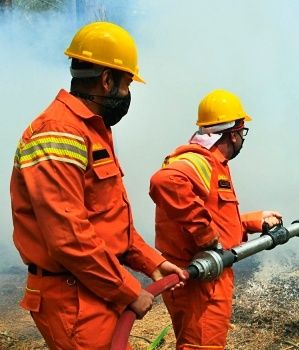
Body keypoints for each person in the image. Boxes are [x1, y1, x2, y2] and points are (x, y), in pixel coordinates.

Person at [10, 22, 186, 349]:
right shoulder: (57, 133)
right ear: (107, 80)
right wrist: (128, 289)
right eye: (127, 83)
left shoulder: (91, 129)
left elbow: (108, 220)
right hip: (72, 298)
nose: (128, 94)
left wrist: (152, 261)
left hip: (92, 288)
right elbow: (68, 237)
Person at [149, 89, 282, 348]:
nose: (242, 139)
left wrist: (254, 221)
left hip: (204, 279)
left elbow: (215, 215)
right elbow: (164, 181)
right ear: (233, 133)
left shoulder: (215, 164)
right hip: (203, 285)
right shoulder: (199, 161)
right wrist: (207, 238)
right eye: (242, 133)